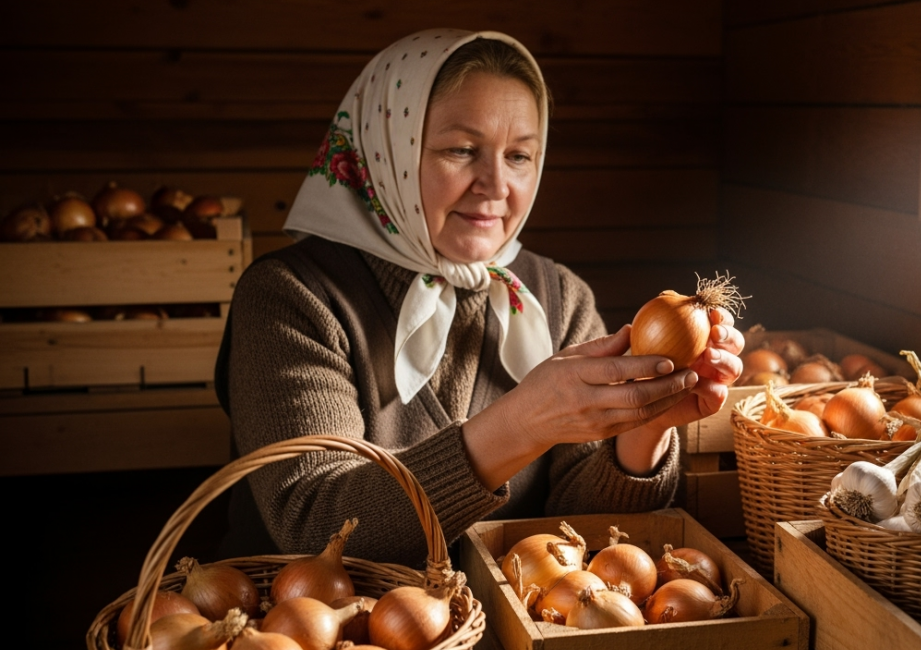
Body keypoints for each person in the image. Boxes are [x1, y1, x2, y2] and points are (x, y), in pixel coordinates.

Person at [215, 29, 743, 568]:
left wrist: (643, 429)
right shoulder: (291, 296)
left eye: (519, 156)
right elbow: (318, 529)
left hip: (512, 645)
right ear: (384, 151)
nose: (495, 185)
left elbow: (582, 531)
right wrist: (523, 424)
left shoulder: (557, 297)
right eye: (462, 150)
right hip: (325, 645)